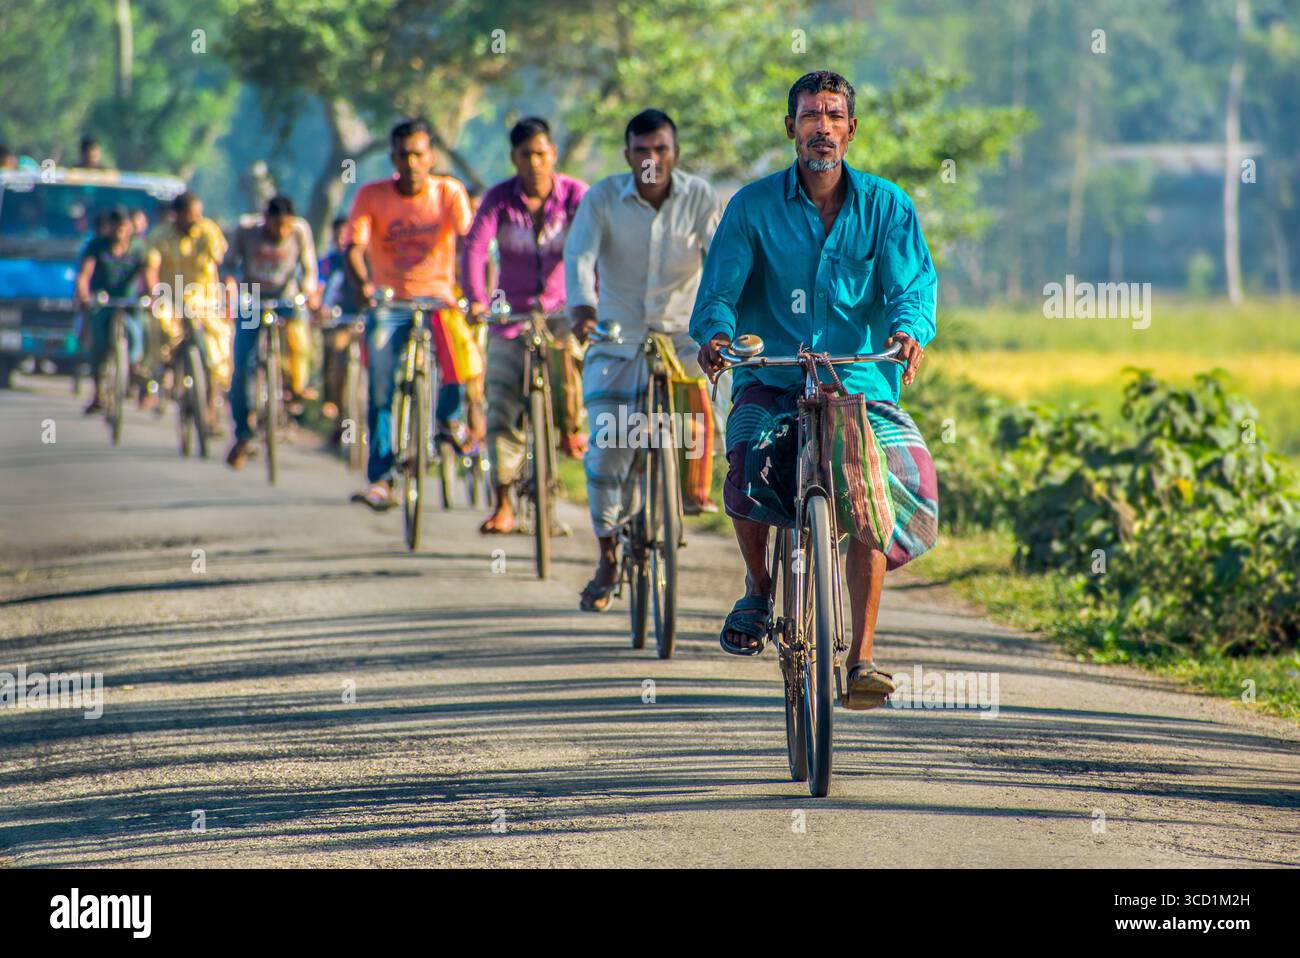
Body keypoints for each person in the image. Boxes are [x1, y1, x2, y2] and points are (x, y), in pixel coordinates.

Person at [691, 70, 939, 709]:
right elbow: (718, 292)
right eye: (809, 115)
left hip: (859, 382)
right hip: (771, 374)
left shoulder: (888, 207)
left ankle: (861, 657)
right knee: (745, 453)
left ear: (851, 130)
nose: (821, 126)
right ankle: (756, 587)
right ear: (791, 128)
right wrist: (717, 336)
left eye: (833, 115)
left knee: (880, 486)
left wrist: (910, 331)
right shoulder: (750, 207)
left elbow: (912, 290)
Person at [564, 109, 722, 612]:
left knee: (716, 407)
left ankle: (693, 489)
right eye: (641, 150)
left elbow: (720, 260)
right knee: (608, 444)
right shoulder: (603, 198)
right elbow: (580, 257)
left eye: (661, 150)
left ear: (675, 154)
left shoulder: (699, 198)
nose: (651, 159)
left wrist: (723, 320)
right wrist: (582, 307)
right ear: (627, 154)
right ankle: (608, 554)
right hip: (617, 335)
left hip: (683, 337)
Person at [462, 116, 589, 535]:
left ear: (552, 154)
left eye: (541, 153)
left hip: (560, 313)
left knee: (570, 361)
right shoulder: (499, 199)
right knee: (499, 401)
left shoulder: (574, 195)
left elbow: (594, 246)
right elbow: (475, 249)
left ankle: (570, 430)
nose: (534, 162)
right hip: (508, 317)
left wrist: (592, 301)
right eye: (525, 155)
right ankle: (503, 503)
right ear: (513, 159)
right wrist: (477, 301)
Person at [344, 118, 473, 511]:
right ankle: (380, 479)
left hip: (440, 300)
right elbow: (354, 246)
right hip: (390, 303)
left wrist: (472, 291)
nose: (412, 162)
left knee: (462, 357)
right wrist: (364, 285)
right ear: (393, 157)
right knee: (381, 384)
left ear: (430, 156)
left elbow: (470, 242)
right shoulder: (371, 195)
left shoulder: (449, 192)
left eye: (418, 154)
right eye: (403, 155)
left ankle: (450, 420)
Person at [223, 195, 320, 468]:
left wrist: (311, 293)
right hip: (253, 297)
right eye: (276, 226)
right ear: (266, 220)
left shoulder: (300, 231)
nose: (281, 232)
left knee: (300, 342)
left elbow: (309, 268)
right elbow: (228, 264)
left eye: (285, 226)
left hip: (286, 298)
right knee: (242, 365)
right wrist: (230, 285)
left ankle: (296, 389)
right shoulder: (245, 231)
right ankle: (243, 432)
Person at [144, 191, 232, 430]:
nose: (197, 219)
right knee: (162, 329)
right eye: (192, 215)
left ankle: (211, 410)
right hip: (170, 299)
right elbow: (151, 268)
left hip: (204, 301)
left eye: (199, 214)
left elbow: (222, 263)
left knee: (218, 350)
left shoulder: (208, 231)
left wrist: (228, 297)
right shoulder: (160, 235)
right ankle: (164, 370)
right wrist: (154, 294)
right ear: (178, 215)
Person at [74, 208, 145, 413]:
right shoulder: (96, 246)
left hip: (129, 302)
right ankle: (98, 393)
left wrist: (151, 295)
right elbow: (83, 276)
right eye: (116, 227)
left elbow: (149, 274)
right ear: (109, 227)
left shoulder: (138, 248)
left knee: (141, 332)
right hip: (103, 302)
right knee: (98, 344)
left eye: (124, 228)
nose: (119, 232)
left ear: (130, 228)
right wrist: (84, 296)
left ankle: (136, 368)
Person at [318, 217, 365, 430]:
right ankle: (335, 408)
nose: (343, 240)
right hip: (342, 319)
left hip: (367, 320)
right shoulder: (332, 261)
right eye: (339, 236)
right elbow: (323, 286)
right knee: (336, 356)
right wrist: (323, 307)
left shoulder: (370, 257)